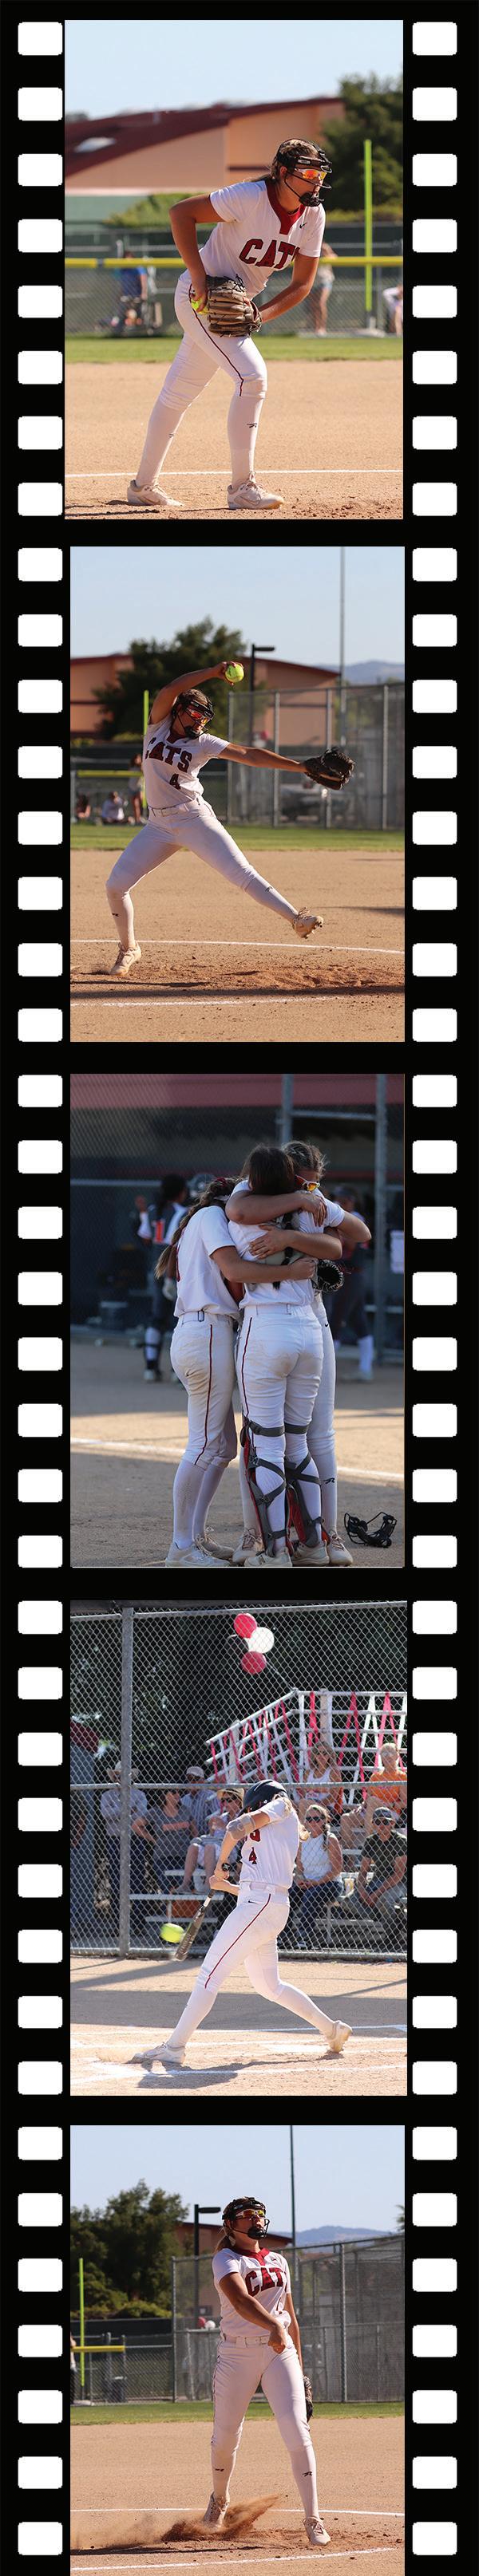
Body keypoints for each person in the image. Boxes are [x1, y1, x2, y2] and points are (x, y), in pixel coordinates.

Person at [126, 139, 332, 516]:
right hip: (201, 298)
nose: (315, 181)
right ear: (282, 173)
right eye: (307, 173)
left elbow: (302, 284)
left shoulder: (313, 216)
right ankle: (242, 488)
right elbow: (181, 213)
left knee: (178, 393)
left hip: (234, 308)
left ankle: (142, 486)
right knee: (252, 378)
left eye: (318, 174)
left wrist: (260, 315)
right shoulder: (250, 197)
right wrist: (198, 276)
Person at [105, 666, 334, 977]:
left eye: (204, 718)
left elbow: (249, 754)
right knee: (116, 886)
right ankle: (129, 948)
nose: (200, 722)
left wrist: (301, 767)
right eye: (195, 715)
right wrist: (214, 671)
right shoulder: (158, 726)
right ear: (178, 710)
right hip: (157, 826)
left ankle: (297, 920)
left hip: (194, 818)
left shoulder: (203, 743)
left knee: (242, 873)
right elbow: (170, 689)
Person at [156, 1171, 318, 1568]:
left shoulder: (206, 1217)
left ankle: (195, 1538)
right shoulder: (212, 1217)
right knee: (204, 1445)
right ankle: (181, 1547)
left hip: (207, 1331)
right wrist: (290, 1272)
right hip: (206, 1330)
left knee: (223, 1447)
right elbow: (234, 1270)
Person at [132, 1781, 350, 2073]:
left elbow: (235, 1828)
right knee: (270, 1986)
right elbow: (258, 1886)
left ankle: (174, 2047)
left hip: (260, 1908)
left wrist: (221, 1862)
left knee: (208, 1976)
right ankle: (332, 2030)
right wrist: (226, 1885)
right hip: (266, 1906)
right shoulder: (270, 1833)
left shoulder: (282, 1805)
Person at [227, 1146, 343, 1566]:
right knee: (298, 1443)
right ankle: (316, 1545)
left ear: (254, 1181)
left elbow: (240, 1209)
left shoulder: (241, 1214)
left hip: (266, 1326)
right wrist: (305, 1200)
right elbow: (345, 1240)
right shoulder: (311, 1212)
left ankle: (276, 1550)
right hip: (309, 1329)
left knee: (267, 1445)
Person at [201, 2196, 331, 2548]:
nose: (256, 2219)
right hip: (236, 2354)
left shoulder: (279, 2260)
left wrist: (300, 2370)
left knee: (297, 2430)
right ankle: (219, 2499)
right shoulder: (225, 2259)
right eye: (247, 2215)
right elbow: (241, 2300)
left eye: (259, 2214)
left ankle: (313, 2518)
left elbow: (292, 2318)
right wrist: (273, 2325)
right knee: (225, 2437)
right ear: (230, 2225)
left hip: (279, 2352)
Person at [100, 1763, 153, 1933]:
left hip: (135, 1839)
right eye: (117, 1774)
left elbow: (141, 1815)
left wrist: (118, 1811)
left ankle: (138, 1925)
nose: (119, 1777)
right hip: (115, 1840)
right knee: (116, 1881)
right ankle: (119, 1925)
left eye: (122, 1774)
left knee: (137, 1879)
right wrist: (128, 1809)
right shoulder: (107, 1795)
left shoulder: (140, 1794)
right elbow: (106, 1815)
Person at [331, 1188, 374, 1379]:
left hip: (351, 1276)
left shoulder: (355, 1218)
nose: (340, 1205)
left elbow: (349, 1245)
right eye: (338, 1201)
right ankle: (365, 1369)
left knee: (336, 1320)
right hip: (351, 1276)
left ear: (352, 1202)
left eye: (344, 1201)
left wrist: (333, 1230)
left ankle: (325, 1371)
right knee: (359, 1320)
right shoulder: (346, 1218)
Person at [291, 1804, 344, 1945]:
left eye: (317, 1819)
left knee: (311, 1895)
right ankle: (284, 1936)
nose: (313, 1822)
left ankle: (305, 1937)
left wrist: (316, 1883)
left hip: (330, 1883)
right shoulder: (303, 1840)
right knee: (288, 1896)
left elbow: (337, 1869)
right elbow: (299, 1868)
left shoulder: (330, 1839)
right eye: (309, 1819)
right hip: (308, 1882)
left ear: (324, 1820)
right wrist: (300, 1879)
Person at [354, 1805, 406, 1925]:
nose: (381, 1825)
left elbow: (399, 1874)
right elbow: (363, 1871)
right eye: (378, 1822)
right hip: (377, 1880)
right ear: (373, 1824)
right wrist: (362, 1890)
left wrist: (376, 1894)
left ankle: (391, 1932)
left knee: (383, 1901)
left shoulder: (401, 1841)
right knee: (349, 1902)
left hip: (400, 1883)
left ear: (392, 1823)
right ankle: (392, 1920)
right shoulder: (370, 1841)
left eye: (385, 1822)